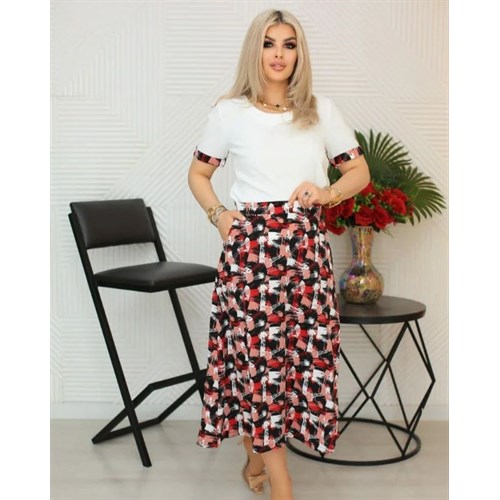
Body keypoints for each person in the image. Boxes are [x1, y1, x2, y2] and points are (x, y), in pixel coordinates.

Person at [188, 8, 369, 500]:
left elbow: (359, 173)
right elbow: (198, 174)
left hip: (306, 253)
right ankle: (282, 485)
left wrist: (326, 193)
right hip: (250, 254)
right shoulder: (229, 113)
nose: (279, 54)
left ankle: (255, 454)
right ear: (256, 49)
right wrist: (219, 215)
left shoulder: (320, 111)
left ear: (299, 53)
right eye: (269, 43)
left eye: (289, 45)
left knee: (301, 360)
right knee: (260, 362)